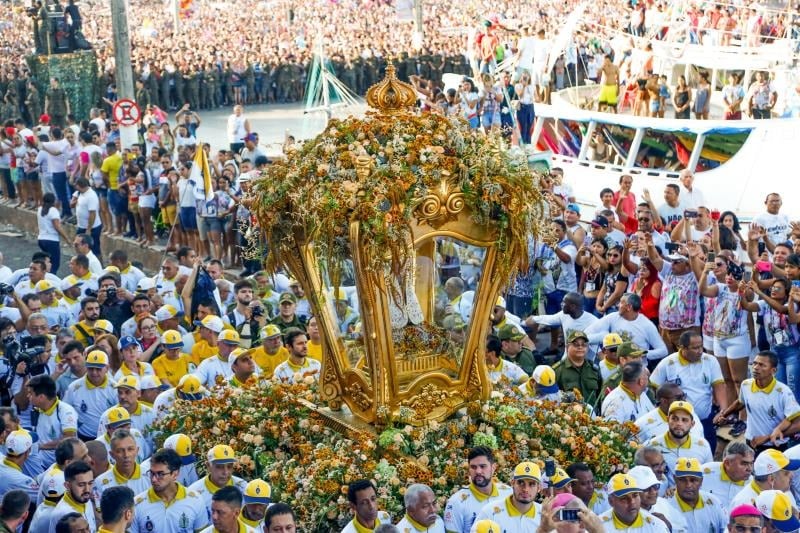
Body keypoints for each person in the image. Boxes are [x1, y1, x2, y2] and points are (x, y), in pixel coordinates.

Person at [650, 330, 727, 449]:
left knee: (707, 448)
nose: (700, 351)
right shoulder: (668, 363)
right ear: (682, 348)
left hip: (705, 418)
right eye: (695, 348)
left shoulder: (710, 361)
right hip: (679, 422)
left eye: (701, 346)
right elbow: (653, 386)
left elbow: (719, 386)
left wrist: (723, 410)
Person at [714, 351, 800, 452]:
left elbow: (798, 424)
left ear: (773, 371)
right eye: (754, 363)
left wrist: (768, 437)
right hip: (751, 441)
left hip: (775, 446)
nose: (755, 367)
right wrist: (724, 414)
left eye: (762, 365)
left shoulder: (784, 392)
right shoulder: (746, 385)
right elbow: (740, 402)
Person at [133, 448, 208, 532]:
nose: (154, 479)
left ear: (175, 474)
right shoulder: (137, 504)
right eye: (152, 473)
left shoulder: (195, 500)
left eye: (160, 474)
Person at [444, 447, 512, 533]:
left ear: (493, 467)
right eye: (473, 467)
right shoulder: (456, 502)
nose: (478, 471)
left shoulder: (508, 493)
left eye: (483, 466)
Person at [63, 350, 118, 440]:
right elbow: (65, 411)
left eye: (98, 369)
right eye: (91, 368)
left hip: (108, 438)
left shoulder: (115, 388)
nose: (94, 373)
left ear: (107, 368)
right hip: (83, 438)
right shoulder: (74, 388)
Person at [647, 401, 713, 475]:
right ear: (667, 420)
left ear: (692, 424)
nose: (679, 423)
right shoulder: (652, 446)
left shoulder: (703, 446)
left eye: (684, 420)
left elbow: (708, 475)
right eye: (675, 419)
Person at [472, 462, 542, 530]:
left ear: (539, 488)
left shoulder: (545, 516)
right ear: (512, 483)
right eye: (521, 483)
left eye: (532, 484)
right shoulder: (490, 512)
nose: (525, 489)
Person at [188, 444, 248, 523]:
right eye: (219, 467)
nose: (225, 472)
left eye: (229, 466)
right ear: (208, 466)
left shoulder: (244, 487)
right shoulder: (193, 493)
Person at [666, 457, 726, 531]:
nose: (688, 485)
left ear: (701, 481)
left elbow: (726, 529)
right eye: (682, 480)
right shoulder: (666, 506)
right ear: (675, 479)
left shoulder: (714, 502)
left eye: (693, 480)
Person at [729, 449, 799, 508]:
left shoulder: (782, 490)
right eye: (786, 473)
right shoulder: (744, 506)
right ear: (771, 479)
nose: (792, 475)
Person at [598, 473, 668, 532]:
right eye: (624, 498)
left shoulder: (656, 526)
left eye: (635, 495)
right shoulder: (598, 526)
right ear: (611, 501)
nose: (632, 502)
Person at [701, 442, 755, 510]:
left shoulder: (753, 484)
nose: (750, 469)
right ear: (727, 463)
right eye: (744, 463)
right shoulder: (704, 474)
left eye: (751, 463)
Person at [553, 331, 602, 404]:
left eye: (584, 345)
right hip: (569, 414)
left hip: (592, 414)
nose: (580, 347)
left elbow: (599, 395)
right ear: (567, 348)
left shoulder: (594, 369)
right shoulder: (557, 370)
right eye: (576, 345)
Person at [49, 460, 97, 531]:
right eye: (81, 485)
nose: (87, 490)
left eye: (90, 483)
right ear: (67, 486)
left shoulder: (85, 499)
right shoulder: (62, 513)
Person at [37, 192, 70, 274]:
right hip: (51, 240)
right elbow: (57, 227)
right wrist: (67, 239)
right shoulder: (53, 211)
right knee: (54, 264)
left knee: (45, 263)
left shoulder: (40, 209)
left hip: (41, 239)